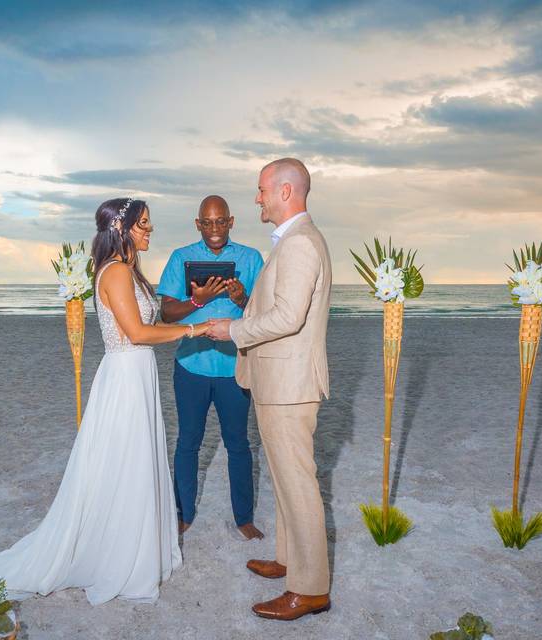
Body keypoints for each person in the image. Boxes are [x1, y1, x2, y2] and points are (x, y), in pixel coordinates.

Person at [0, 198, 210, 606]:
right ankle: (118, 559)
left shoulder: (131, 272)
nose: (150, 230)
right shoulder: (116, 273)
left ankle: (135, 548)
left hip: (138, 376)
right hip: (124, 378)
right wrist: (196, 329)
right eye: (143, 224)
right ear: (121, 229)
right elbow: (137, 333)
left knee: (133, 464)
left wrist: (193, 304)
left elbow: (152, 323)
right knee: (124, 463)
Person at [206, 158, 332, 621]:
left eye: (261, 189)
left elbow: (287, 317)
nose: (256, 197)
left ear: (285, 192)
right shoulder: (293, 242)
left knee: (298, 484)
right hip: (280, 381)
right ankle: (287, 559)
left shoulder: (300, 244)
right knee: (283, 480)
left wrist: (233, 330)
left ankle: (310, 588)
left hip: (290, 385)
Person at [156, 195, 265, 540]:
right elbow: (166, 314)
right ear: (198, 224)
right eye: (208, 222)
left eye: (221, 222)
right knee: (188, 442)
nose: (215, 229)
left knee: (239, 443)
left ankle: (243, 518)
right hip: (191, 366)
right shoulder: (181, 257)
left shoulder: (251, 258)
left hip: (235, 367)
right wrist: (197, 300)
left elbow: (264, 315)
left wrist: (242, 300)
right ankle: (183, 514)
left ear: (231, 222)